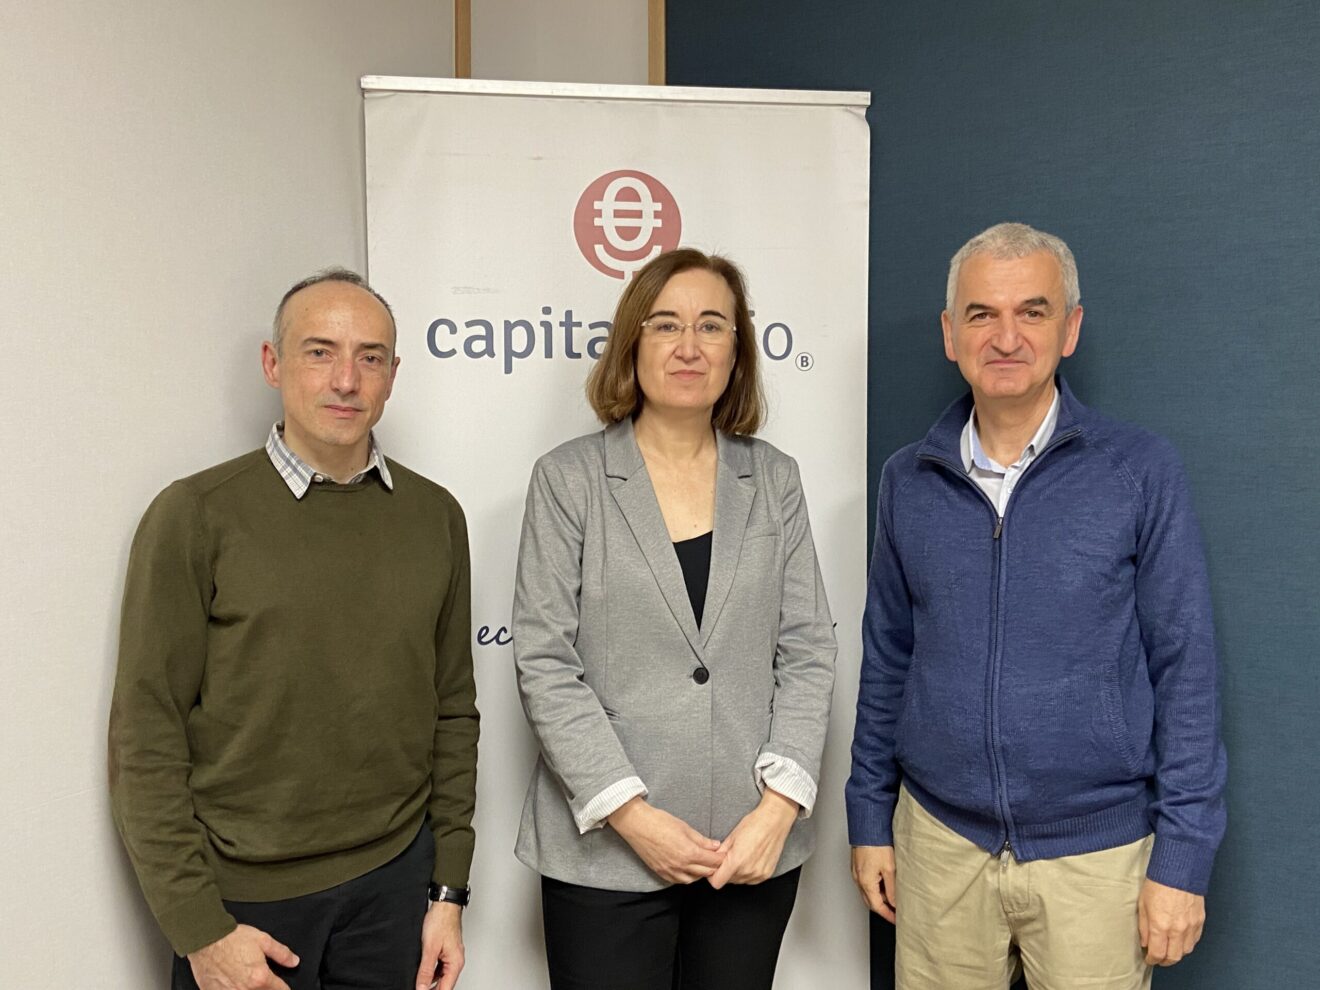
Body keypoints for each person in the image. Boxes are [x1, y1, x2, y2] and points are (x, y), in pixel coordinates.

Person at [846, 223, 1227, 989]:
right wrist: (869, 818)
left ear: (1070, 328)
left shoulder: (1139, 472)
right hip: (938, 848)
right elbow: (886, 659)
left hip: (1098, 858)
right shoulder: (906, 481)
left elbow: (1185, 668)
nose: (1006, 337)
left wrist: (1184, 858)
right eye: (982, 314)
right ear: (950, 334)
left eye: (1033, 311)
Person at [109, 269, 479, 990]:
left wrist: (448, 891)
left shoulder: (435, 516)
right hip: (245, 901)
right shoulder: (194, 514)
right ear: (272, 364)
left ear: (393, 375)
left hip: (396, 886)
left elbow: (451, 712)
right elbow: (145, 736)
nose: (346, 379)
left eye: (370, 357)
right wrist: (198, 928)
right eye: (319, 352)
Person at [512, 248, 836, 990]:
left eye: (711, 325)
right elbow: (545, 663)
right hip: (606, 853)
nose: (689, 346)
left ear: (736, 350)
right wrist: (633, 817)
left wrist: (778, 810)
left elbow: (808, 649)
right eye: (666, 325)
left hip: (749, 851)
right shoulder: (568, 479)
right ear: (633, 343)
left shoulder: (774, 478)